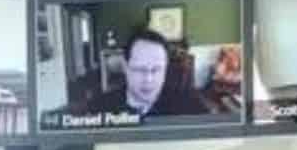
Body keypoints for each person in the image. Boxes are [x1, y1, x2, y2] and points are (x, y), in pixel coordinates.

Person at [79, 28, 209, 120]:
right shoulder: (97, 108)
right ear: (125, 67)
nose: (148, 79)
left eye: (156, 70)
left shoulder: (190, 105)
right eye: (139, 69)